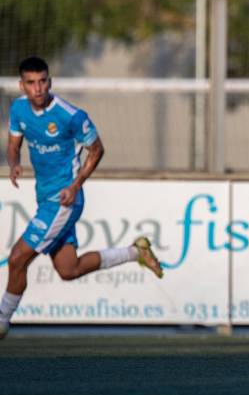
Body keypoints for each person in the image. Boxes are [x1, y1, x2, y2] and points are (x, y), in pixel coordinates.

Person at [1, 57, 164, 339]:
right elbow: (14, 144)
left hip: (64, 200)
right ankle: (136, 252)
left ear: (49, 82)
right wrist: (14, 162)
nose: (38, 88)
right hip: (45, 199)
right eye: (31, 83)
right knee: (68, 269)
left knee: (17, 258)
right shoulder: (18, 110)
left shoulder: (71, 116)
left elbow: (97, 149)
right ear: (22, 86)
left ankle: (2, 320)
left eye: (43, 81)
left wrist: (76, 185)